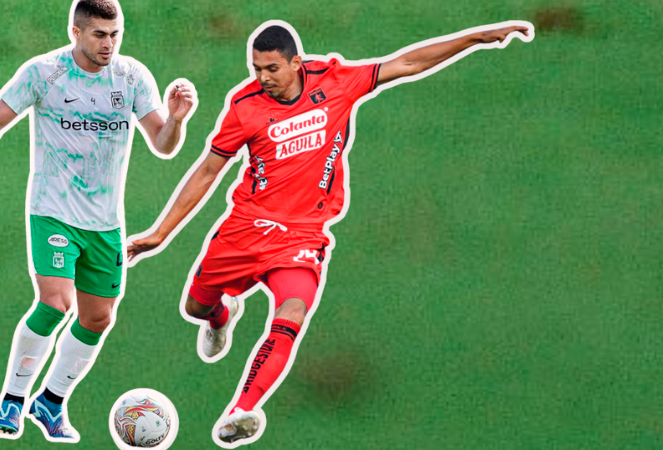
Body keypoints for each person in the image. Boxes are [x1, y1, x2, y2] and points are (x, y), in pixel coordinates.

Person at [126, 20, 530, 447]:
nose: (262, 78)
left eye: (271, 69)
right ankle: (222, 316)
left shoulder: (336, 81)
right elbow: (208, 170)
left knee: (291, 314)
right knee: (195, 306)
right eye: (256, 68)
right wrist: (159, 233)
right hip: (245, 228)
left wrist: (472, 39)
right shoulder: (244, 106)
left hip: (302, 235)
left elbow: (407, 62)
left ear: (296, 63)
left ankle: (242, 409)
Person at [0, 0, 196, 443]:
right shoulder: (43, 73)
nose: (110, 44)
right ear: (76, 33)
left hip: (104, 223)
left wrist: (176, 120)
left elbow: (163, 144)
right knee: (55, 303)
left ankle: (51, 401)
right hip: (52, 211)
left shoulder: (132, 77)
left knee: (99, 318)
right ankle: (12, 399)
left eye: (116, 34)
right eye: (100, 34)